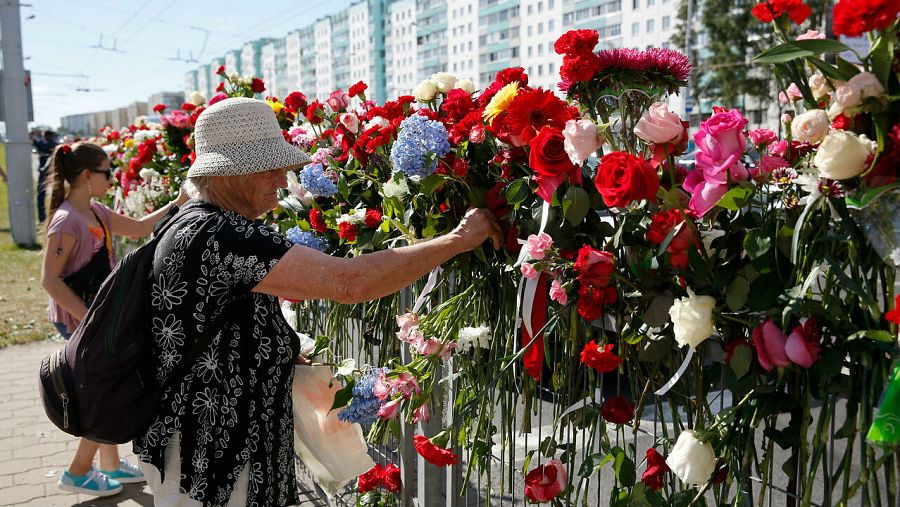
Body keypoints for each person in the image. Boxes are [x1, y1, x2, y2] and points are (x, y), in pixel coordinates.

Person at [132, 97, 502, 507]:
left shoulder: (195, 221)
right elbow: (350, 283)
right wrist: (458, 240)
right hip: (211, 452)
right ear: (228, 174)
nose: (283, 175)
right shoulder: (225, 234)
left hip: (205, 442)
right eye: (268, 165)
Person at [40, 141, 190, 497]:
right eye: (108, 172)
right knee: (104, 391)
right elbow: (50, 280)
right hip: (81, 320)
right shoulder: (66, 221)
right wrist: (90, 318)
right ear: (88, 175)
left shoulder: (96, 211)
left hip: (94, 317)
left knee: (101, 386)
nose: (113, 178)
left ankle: (109, 466)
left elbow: (139, 229)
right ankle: (77, 472)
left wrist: (178, 204)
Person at [34, 130, 59, 223]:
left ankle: (42, 218)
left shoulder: (41, 144)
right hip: (54, 172)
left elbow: (34, 143)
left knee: (41, 194)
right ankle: (53, 217)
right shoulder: (55, 145)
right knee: (56, 194)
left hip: (46, 172)